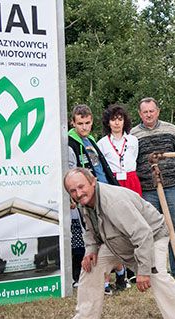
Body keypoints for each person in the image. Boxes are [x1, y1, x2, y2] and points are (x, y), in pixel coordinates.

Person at [62, 168, 175, 319]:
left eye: (81, 187)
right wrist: (91, 251)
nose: (78, 193)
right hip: (118, 240)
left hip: (151, 236)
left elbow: (143, 234)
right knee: (91, 267)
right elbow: (90, 230)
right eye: (73, 190)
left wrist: (144, 271)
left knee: (156, 273)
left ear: (93, 182)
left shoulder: (114, 202)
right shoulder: (85, 202)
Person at [131, 98, 175, 277]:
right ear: (140, 114)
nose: (149, 115)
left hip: (171, 188)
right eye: (145, 112)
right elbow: (131, 161)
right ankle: (153, 271)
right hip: (148, 190)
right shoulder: (133, 135)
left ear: (158, 111)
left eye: (152, 111)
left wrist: (174, 175)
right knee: (150, 232)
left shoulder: (170, 129)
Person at [67, 105, 124, 292]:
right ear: (72, 123)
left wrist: (114, 186)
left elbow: (103, 167)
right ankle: (100, 281)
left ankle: (120, 273)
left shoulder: (91, 139)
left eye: (88, 123)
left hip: (103, 191)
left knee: (112, 233)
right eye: (80, 123)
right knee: (94, 237)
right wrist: (71, 196)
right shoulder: (70, 143)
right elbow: (69, 172)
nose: (84, 127)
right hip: (86, 198)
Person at [96, 104, 142, 196]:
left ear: (124, 122)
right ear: (108, 123)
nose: (117, 123)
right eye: (113, 120)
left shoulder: (133, 140)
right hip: (113, 181)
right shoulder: (101, 143)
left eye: (120, 120)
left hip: (131, 180)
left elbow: (135, 157)